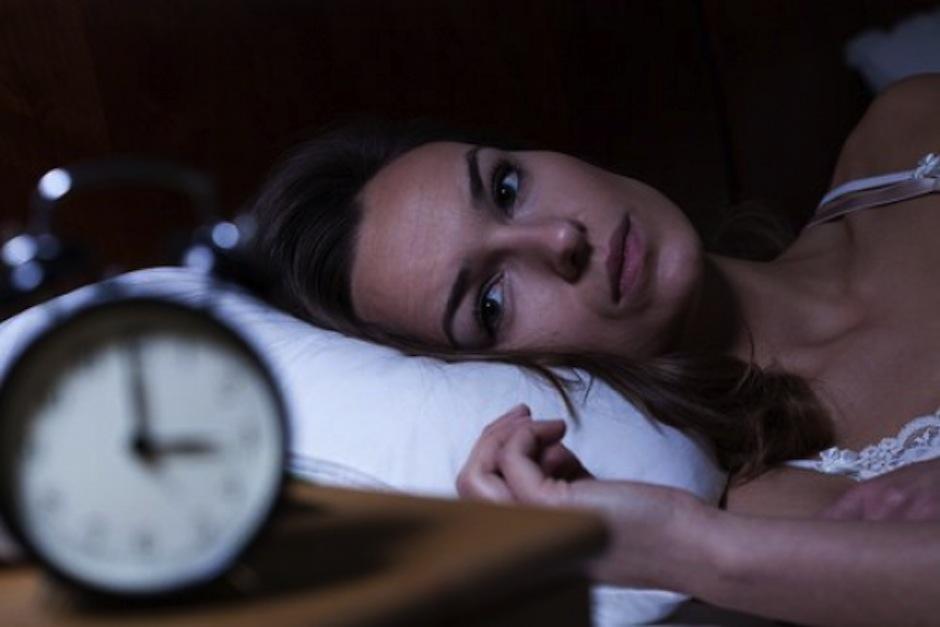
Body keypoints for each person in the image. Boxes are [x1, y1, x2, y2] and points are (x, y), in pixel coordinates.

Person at [251, 74, 940, 626]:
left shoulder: (907, 133)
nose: (558, 240)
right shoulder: (784, 503)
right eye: (490, 302)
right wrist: (687, 550)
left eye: (507, 188)